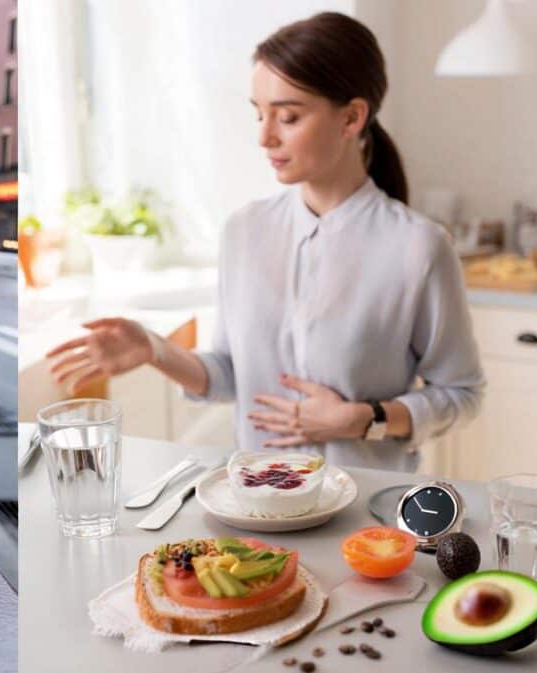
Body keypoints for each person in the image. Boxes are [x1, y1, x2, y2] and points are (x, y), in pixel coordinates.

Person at [46, 12, 485, 472]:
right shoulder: (244, 231)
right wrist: (154, 351)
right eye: (259, 113)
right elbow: (230, 374)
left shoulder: (417, 247)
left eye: (288, 117)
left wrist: (365, 419)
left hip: (364, 506)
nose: (264, 136)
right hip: (256, 497)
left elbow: (462, 393)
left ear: (352, 117)